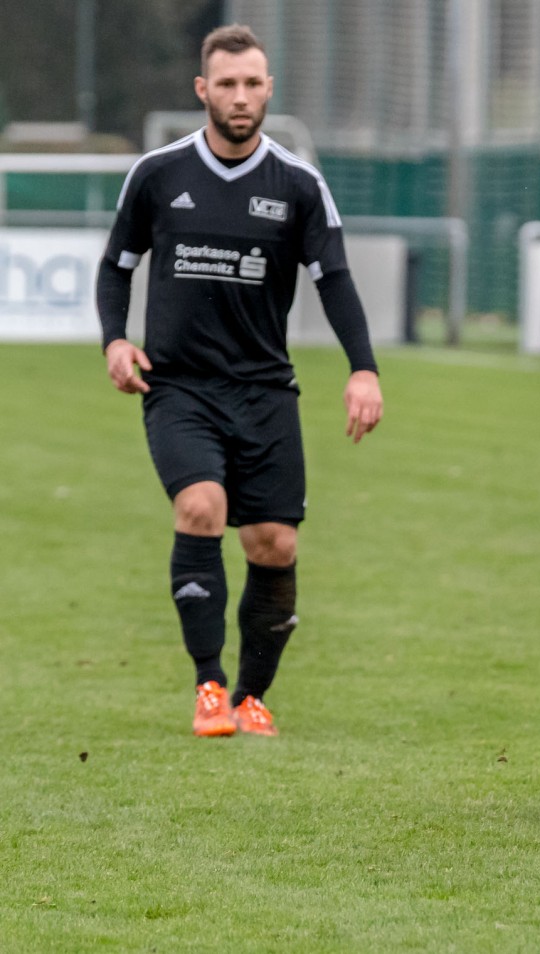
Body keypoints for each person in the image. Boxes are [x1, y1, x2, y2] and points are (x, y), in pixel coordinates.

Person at [97, 25, 384, 737]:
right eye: (226, 84)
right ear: (203, 90)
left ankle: (252, 696)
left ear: (268, 90)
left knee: (273, 545)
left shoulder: (297, 184)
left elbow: (337, 280)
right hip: (179, 387)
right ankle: (208, 685)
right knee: (200, 507)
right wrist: (114, 341)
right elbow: (116, 266)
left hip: (264, 392)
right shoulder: (159, 175)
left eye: (252, 83)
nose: (240, 96)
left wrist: (363, 368)